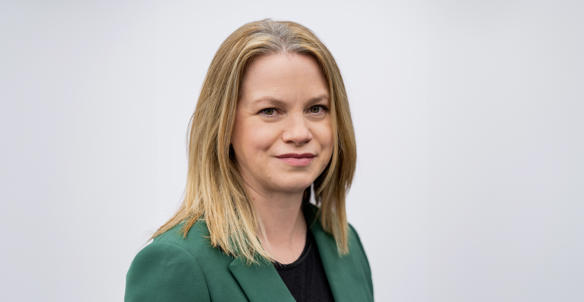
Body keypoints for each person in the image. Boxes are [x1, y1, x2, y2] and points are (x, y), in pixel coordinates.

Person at [125, 18, 373, 302]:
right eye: (270, 111)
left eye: (316, 108)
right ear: (224, 126)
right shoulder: (176, 263)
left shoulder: (344, 244)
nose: (299, 133)